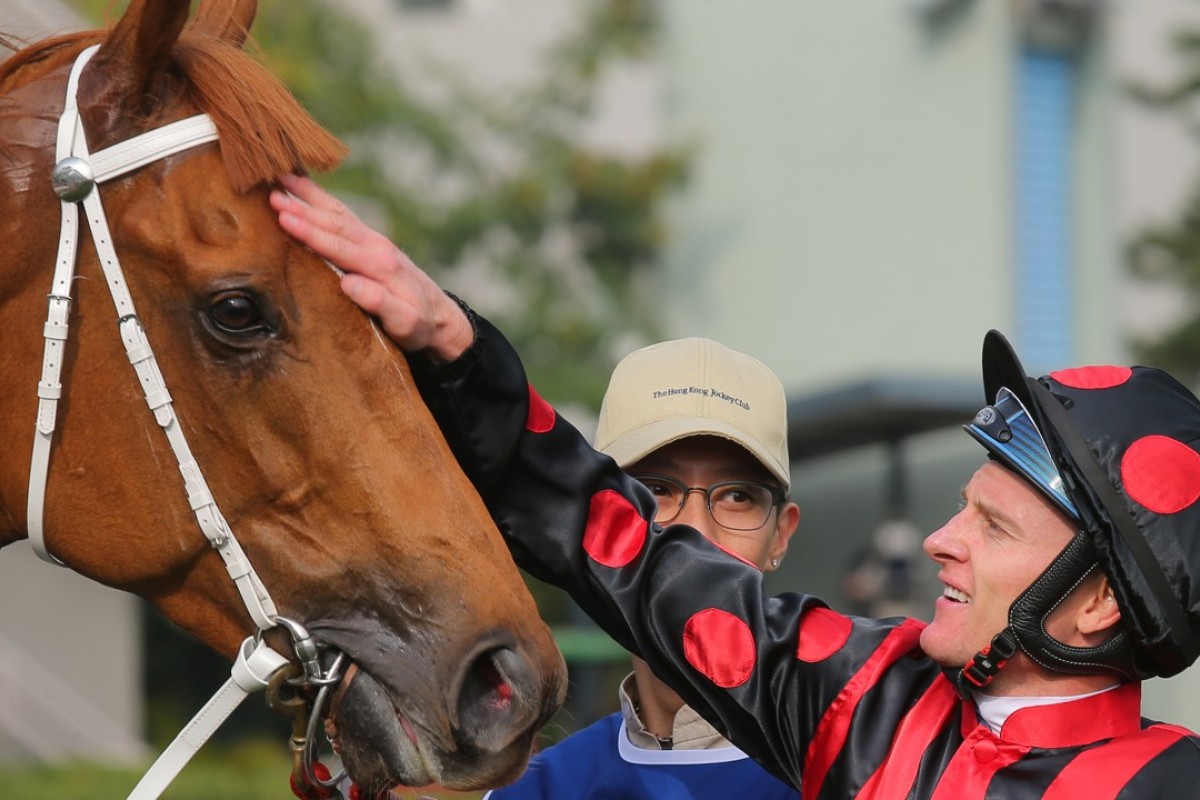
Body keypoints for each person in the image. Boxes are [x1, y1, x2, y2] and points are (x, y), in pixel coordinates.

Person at [273, 174, 1200, 797]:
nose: (936, 541)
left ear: (1097, 608)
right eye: (962, 507)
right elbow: (619, 546)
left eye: (992, 526)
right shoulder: (872, 702)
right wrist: (452, 344)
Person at [483, 337, 801, 799]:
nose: (694, 531)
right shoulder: (536, 791)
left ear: (781, 535)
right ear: (594, 518)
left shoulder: (864, 773)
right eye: (655, 487)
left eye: (737, 495)